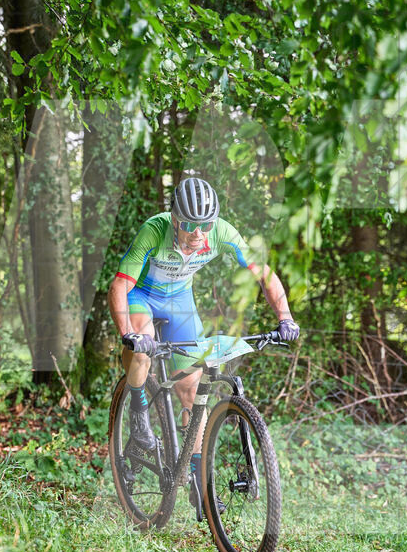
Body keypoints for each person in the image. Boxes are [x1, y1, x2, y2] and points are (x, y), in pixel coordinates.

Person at [107, 176, 300, 511]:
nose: (198, 234)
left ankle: (198, 482)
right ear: (174, 219)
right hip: (142, 295)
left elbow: (264, 273)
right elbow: (120, 285)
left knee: (192, 388)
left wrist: (285, 318)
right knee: (142, 347)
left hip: (179, 300)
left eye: (205, 225)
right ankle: (138, 413)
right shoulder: (154, 230)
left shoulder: (223, 232)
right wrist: (128, 333)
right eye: (189, 225)